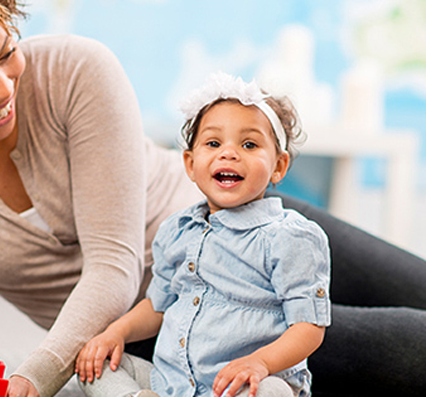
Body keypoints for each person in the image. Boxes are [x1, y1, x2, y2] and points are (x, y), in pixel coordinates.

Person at [0, 1, 426, 397]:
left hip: (261, 225)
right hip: (172, 328)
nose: (3, 88)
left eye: (7, 52)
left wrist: (33, 379)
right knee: (407, 355)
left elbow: (112, 264)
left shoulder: (75, 70)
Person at [75, 73, 330, 397]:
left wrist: (260, 362)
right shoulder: (177, 231)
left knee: (272, 391)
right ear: (191, 164)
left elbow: (309, 327)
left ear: (278, 166)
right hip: (172, 385)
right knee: (96, 367)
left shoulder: (290, 238)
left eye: (249, 144)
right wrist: (117, 332)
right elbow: (158, 305)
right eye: (213, 143)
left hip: (243, 386)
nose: (229, 153)